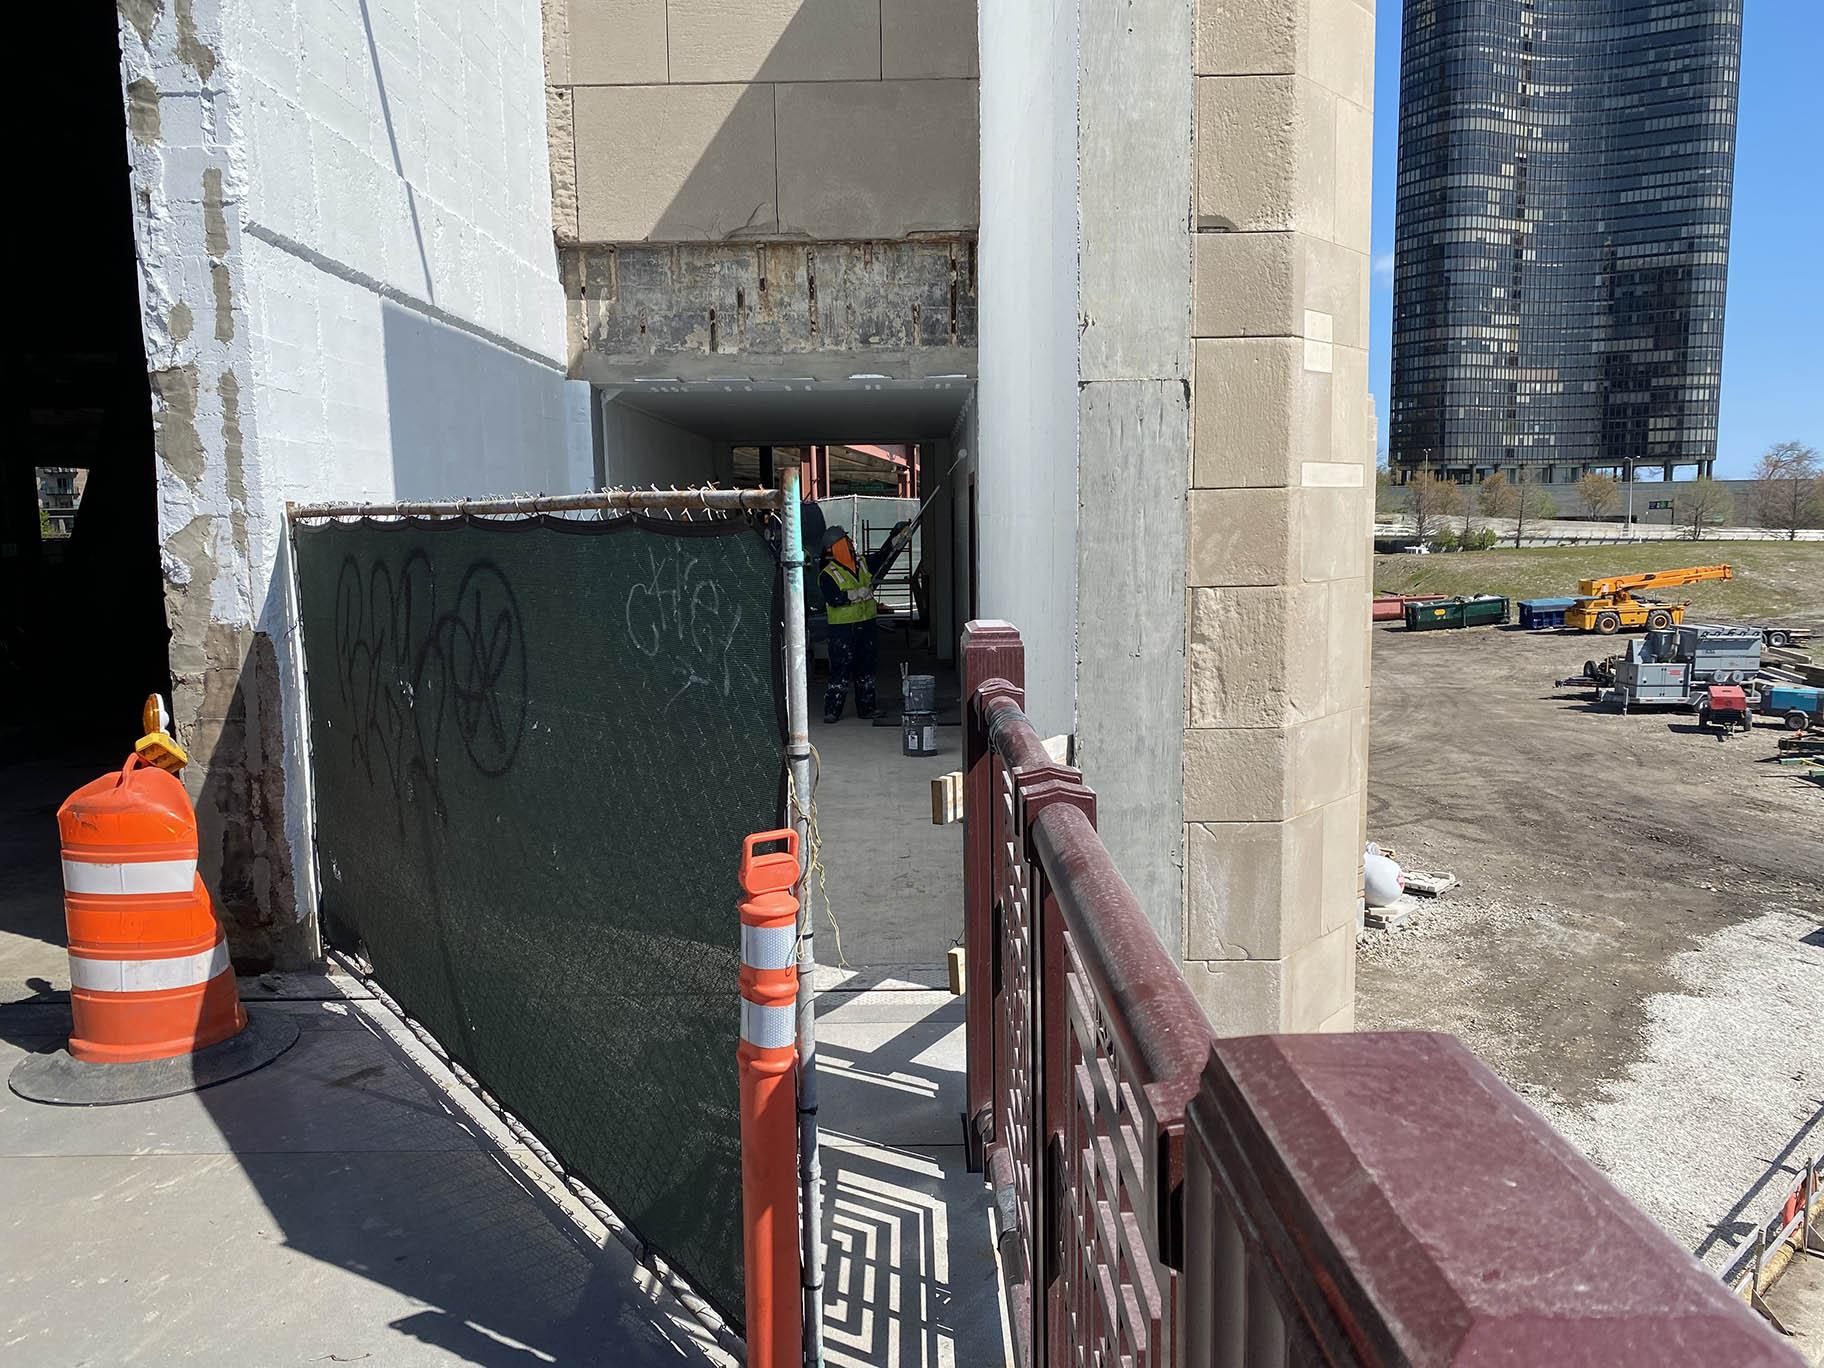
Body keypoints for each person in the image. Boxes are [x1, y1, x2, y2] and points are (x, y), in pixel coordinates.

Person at [820, 522, 909, 722]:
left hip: (866, 625)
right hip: (842, 630)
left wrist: (894, 542)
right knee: (840, 671)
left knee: (866, 668)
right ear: (837, 546)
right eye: (846, 540)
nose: (851, 543)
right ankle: (832, 710)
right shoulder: (828, 574)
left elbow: (880, 559)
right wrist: (854, 594)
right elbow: (833, 598)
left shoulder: (861, 563)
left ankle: (867, 708)